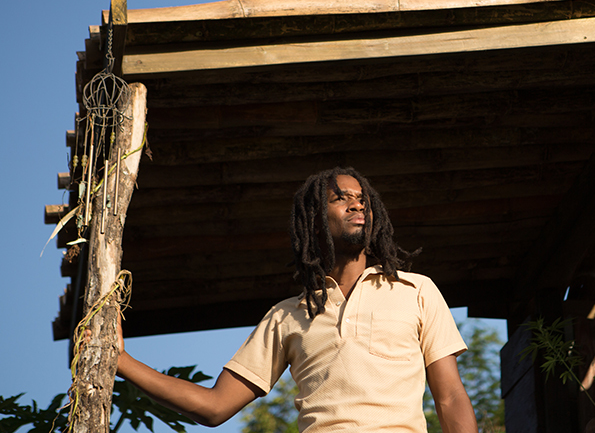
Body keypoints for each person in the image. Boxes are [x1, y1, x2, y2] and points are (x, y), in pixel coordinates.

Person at [115, 166, 478, 432]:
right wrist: (121, 360)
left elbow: (449, 397)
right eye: (341, 199)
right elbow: (214, 407)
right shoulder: (286, 317)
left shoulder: (416, 291)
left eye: (362, 200)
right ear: (316, 221)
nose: (356, 206)